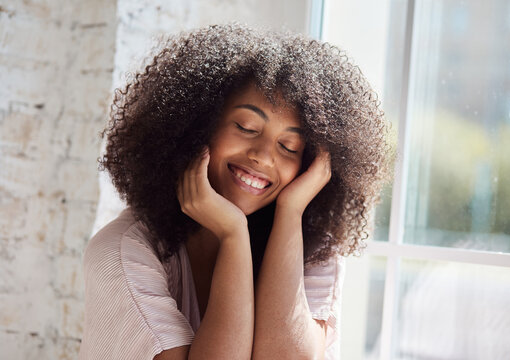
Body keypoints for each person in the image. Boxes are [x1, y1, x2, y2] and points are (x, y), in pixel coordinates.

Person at [79, 23, 391, 360]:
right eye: (246, 127)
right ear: (196, 125)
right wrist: (232, 234)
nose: (264, 156)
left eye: (289, 146)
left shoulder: (314, 248)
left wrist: (289, 212)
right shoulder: (123, 254)